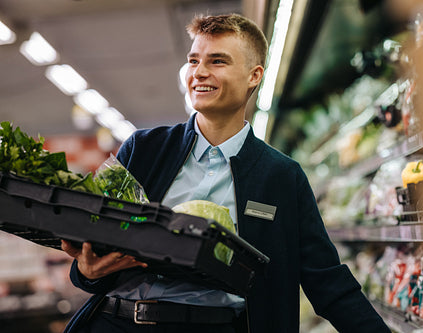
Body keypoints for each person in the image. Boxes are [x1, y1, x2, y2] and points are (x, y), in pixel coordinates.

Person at [61, 13, 391, 333]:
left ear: (254, 75)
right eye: (193, 61)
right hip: (120, 322)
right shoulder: (144, 148)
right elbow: (94, 246)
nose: (199, 72)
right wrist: (87, 271)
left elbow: (327, 281)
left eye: (217, 61)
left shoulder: (281, 177)